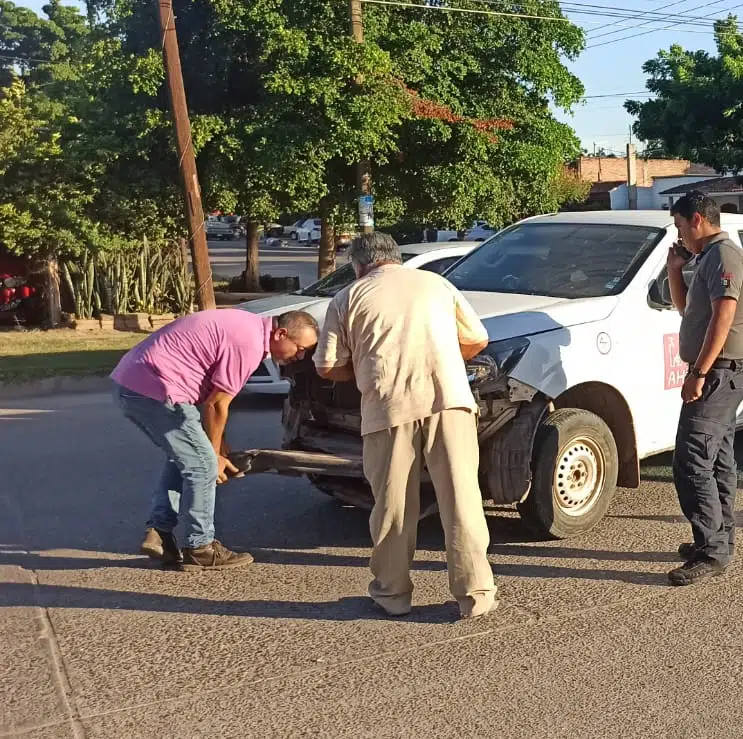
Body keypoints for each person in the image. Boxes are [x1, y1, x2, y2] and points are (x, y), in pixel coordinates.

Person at [314, 232, 498, 620]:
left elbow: (327, 366)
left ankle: (391, 595)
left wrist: (363, 369)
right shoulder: (437, 283)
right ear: (396, 258)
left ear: (359, 264)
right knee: (462, 500)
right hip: (449, 401)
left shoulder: (348, 297)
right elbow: (477, 339)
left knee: (393, 506)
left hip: (387, 408)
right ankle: (476, 595)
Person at [114, 308, 320, 571]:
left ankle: (160, 533)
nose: (300, 356)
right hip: (155, 390)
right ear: (281, 333)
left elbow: (213, 404)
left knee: (184, 458)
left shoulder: (249, 326)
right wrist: (214, 457)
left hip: (137, 383)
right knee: (202, 466)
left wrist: (221, 448)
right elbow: (216, 406)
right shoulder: (248, 344)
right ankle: (200, 547)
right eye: (300, 348)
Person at [664, 190, 743, 586]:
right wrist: (674, 269)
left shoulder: (723, 256)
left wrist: (698, 373)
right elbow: (688, 311)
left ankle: (712, 549)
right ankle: (719, 539)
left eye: (680, 226)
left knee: (690, 460)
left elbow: (724, 315)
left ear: (697, 219)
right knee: (716, 459)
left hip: (721, 371)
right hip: (720, 370)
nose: (679, 235)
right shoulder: (706, 258)